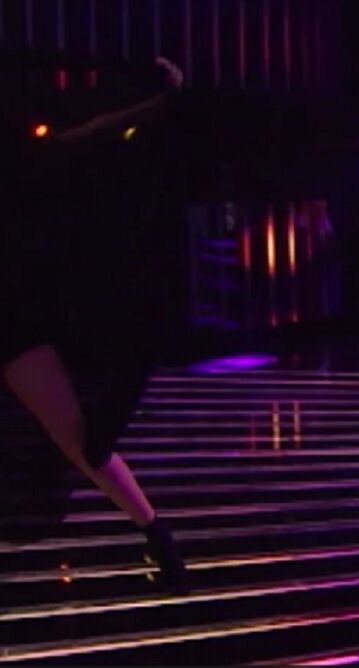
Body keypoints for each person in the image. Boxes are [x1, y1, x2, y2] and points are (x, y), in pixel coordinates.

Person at [0, 56, 189, 594]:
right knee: (79, 441)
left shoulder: (29, 162)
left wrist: (157, 100)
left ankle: (159, 541)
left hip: (16, 319)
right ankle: (158, 540)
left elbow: (87, 135)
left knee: (80, 440)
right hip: (18, 318)